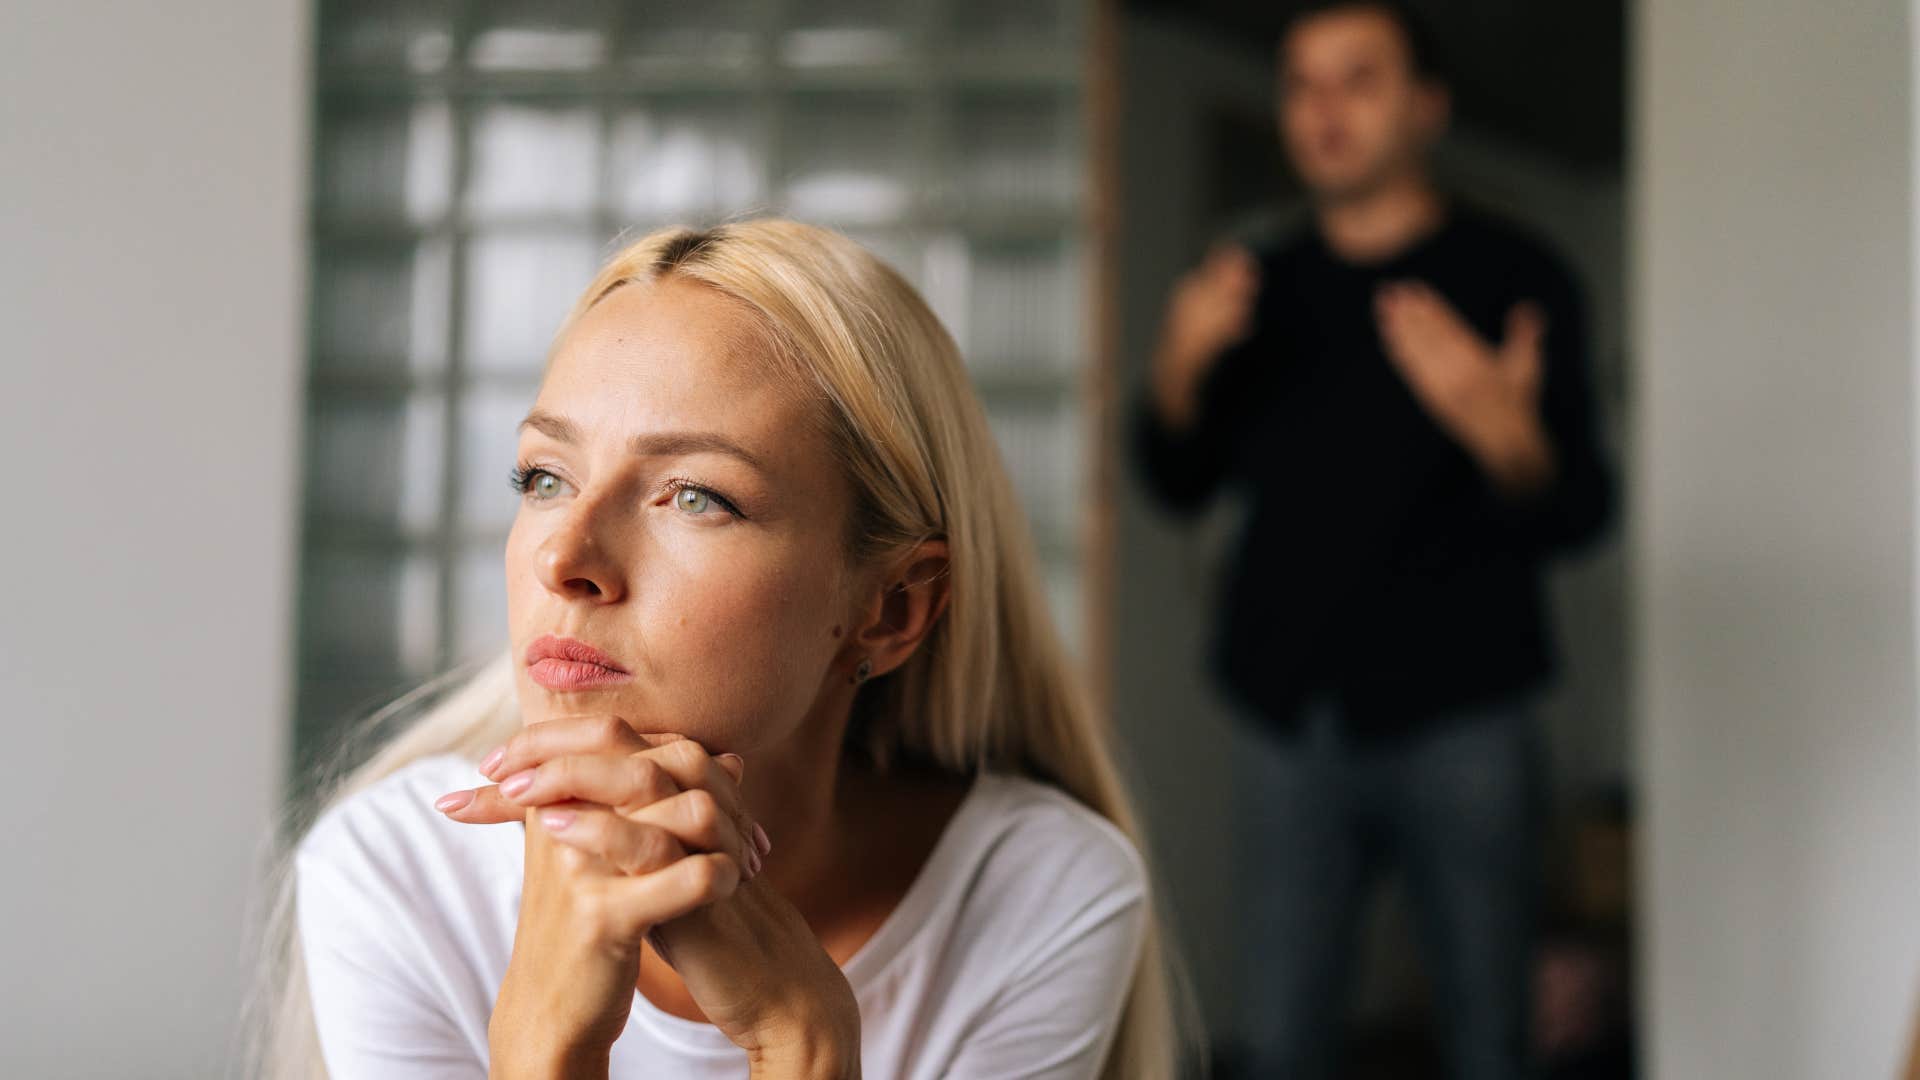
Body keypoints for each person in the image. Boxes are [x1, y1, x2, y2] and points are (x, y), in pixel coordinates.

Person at [258, 220, 1183, 1078]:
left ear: (893, 608)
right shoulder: (398, 873)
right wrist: (541, 1044)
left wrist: (805, 1039)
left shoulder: (1034, 894)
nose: (565, 558)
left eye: (695, 496)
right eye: (545, 477)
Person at [1130, 2, 1613, 1078]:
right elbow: (1173, 481)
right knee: (1286, 1030)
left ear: (1427, 106)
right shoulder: (1252, 286)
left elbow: (1582, 513)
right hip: (1289, 714)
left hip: (1468, 712)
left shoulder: (1515, 277)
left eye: (1359, 77)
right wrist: (1177, 362)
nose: (1325, 108)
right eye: (1303, 82)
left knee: (1492, 1029)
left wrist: (1505, 434)